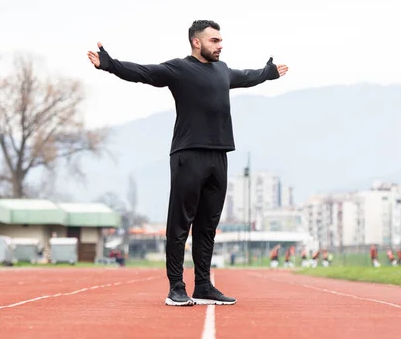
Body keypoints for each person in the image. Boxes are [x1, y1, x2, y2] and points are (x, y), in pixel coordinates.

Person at [87, 20, 288, 307]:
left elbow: (246, 76)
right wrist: (109, 64)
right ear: (197, 42)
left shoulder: (222, 70)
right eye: (215, 41)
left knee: (207, 226)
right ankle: (176, 288)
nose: (220, 45)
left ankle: (204, 286)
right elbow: (143, 72)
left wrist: (267, 73)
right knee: (180, 225)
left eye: (221, 41)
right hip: (188, 154)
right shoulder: (179, 69)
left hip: (219, 155)